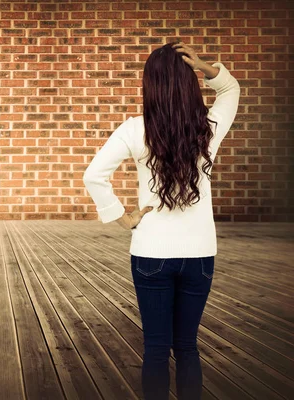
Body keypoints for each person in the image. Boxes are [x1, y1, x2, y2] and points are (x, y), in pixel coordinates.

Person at [82, 41, 241, 399]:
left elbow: (93, 176)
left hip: (152, 252)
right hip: (200, 253)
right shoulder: (209, 127)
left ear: (149, 85)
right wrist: (203, 65)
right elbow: (231, 88)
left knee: (156, 348)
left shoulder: (135, 129)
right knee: (187, 347)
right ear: (188, 82)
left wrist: (124, 219)